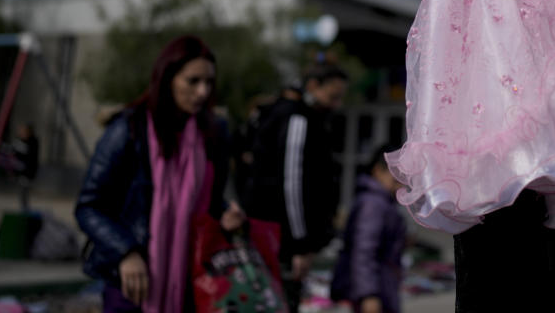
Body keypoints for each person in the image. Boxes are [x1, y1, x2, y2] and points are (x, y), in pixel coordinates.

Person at [75, 35, 245, 313]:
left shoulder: (213, 135)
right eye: (193, 81)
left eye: (209, 82)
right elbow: (88, 206)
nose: (202, 92)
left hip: (193, 283)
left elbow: (209, 204)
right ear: (168, 79)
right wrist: (126, 252)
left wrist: (227, 216)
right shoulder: (128, 130)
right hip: (133, 285)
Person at [244, 64, 348, 312]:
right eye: (333, 96)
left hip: (282, 238)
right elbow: (292, 183)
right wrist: (299, 243)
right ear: (313, 85)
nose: (336, 104)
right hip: (282, 240)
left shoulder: (306, 116)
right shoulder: (297, 117)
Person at [331, 145, 407, 313]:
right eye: (395, 176)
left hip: (382, 286)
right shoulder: (373, 204)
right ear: (377, 170)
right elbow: (364, 251)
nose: (400, 182)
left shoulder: (382, 202)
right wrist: (368, 295)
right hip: (374, 291)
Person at [10, 123, 39, 211]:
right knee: (22, 192)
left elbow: (30, 156)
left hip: (28, 172)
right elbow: (15, 153)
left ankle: (24, 209)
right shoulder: (20, 141)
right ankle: (24, 208)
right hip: (21, 171)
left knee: (24, 191)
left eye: (24, 132)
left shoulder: (33, 142)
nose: (22, 133)